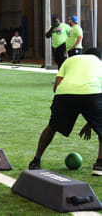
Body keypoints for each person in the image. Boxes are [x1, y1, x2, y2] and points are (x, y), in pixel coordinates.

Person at [28, 48, 102, 176]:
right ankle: (99, 166)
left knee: (52, 127)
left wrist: (62, 101)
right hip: (92, 94)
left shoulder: (70, 60)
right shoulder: (99, 64)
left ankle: (36, 161)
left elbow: (56, 85)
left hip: (64, 94)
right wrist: (92, 122)